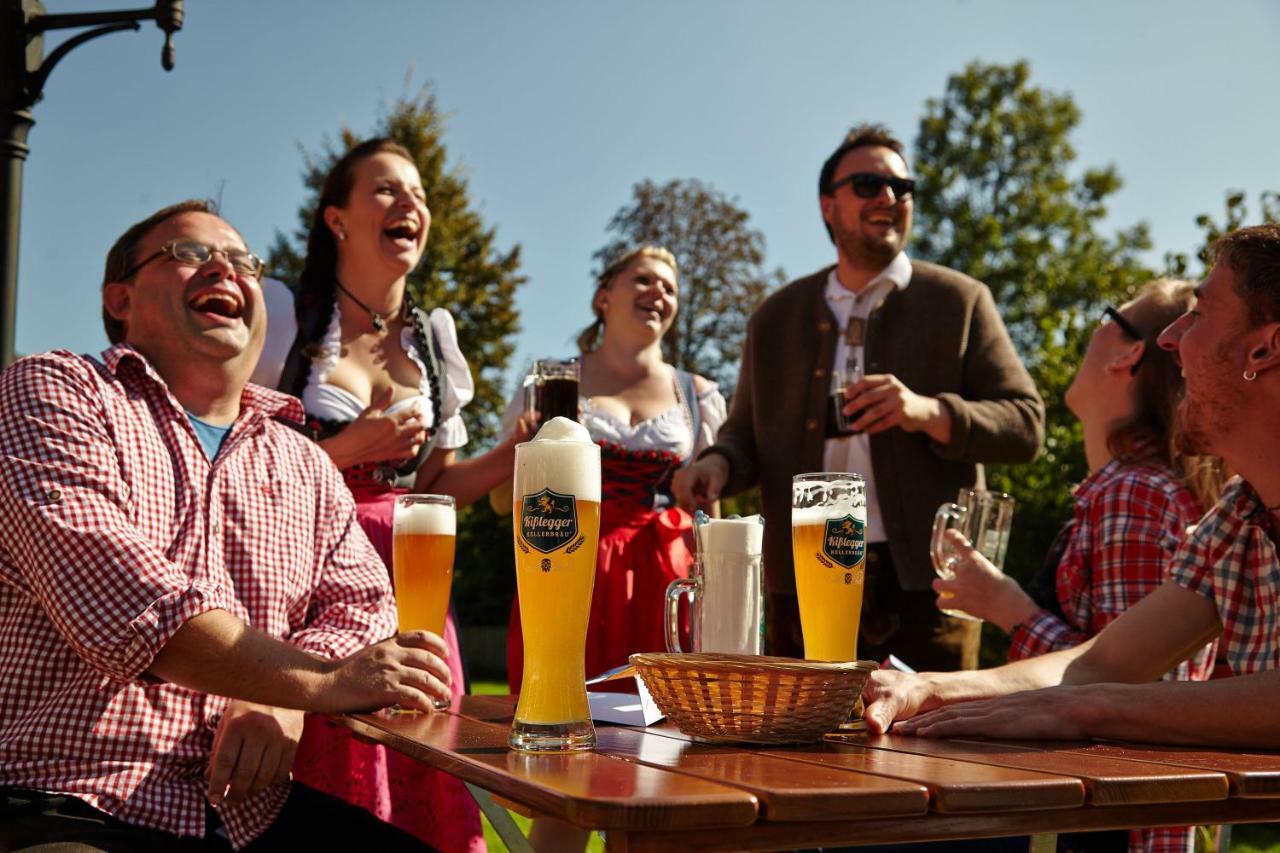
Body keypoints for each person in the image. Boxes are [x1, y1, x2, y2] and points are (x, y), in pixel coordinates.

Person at [0, 200, 447, 851]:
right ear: (119, 297)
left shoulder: (301, 458)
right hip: (70, 803)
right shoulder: (57, 390)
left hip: (249, 816)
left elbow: (366, 602)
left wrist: (279, 697)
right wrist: (319, 680)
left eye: (245, 262)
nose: (226, 270)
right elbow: (124, 596)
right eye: (189, 253)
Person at [864, 224, 1280, 753]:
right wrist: (927, 688)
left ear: (1266, 349)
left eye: (1198, 313)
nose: (1171, 339)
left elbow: (1098, 689)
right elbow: (1102, 662)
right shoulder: (1238, 519)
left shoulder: (1150, 496)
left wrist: (1085, 709)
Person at [673, 123, 1044, 669]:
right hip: (801, 577)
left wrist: (929, 412)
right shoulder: (775, 318)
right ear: (828, 205)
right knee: (799, 744)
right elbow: (745, 436)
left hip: (929, 585)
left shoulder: (960, 301)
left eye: (902, 188)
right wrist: (716, 465)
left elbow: (1027, 425)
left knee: (927, 749)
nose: (889, 198)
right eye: (868, 184)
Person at [251, 138, 523, 853]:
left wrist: (513, 453)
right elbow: (241, 458)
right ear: (337, 219)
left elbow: (436, 489)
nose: (411, 204)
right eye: (387, 190)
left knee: (422, 780)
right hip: (309, 576)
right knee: (327, 786)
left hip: (414, 580)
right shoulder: (285, 314)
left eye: (420, 195)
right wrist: (347, 449)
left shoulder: (435, 337)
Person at [938, 279, 1223, 853]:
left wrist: (1010, 610)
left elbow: (1136, 691)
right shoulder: (1133, 490)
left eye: (1106, 316)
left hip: (1113, 829)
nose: (1092, 332)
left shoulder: (1135, 494)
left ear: (1129, 354)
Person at [494, 246, 726, 691]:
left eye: (670, 288)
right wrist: (522, 449)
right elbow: (503, 502)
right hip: (567, 561)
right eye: (643, 279)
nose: (658, 291)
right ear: (603, 297)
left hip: (666, 574)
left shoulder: (698, 395)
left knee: (667, 725)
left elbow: (707, 507)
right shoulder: (551, 383)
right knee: (560, 711)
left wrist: (715, 592)